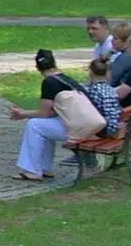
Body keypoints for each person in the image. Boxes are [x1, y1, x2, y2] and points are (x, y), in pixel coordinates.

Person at [8, 49, 83, 181]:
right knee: (44, 126)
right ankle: (45, 168)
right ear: (54, 63)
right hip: (80, 125)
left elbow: (45, 113)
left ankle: (32, 170)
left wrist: (23, 114)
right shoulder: (65, 79)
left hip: (75, 129)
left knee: (34, 125)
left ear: (38, 67)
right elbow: (52, 112)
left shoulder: (49, 82)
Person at [84, 56, 122, 139]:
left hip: (103, 130)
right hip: (113, 126)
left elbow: (92, 113)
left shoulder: (94, 90)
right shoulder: (110, 89)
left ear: (91, 73)